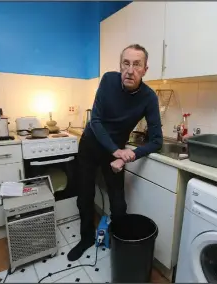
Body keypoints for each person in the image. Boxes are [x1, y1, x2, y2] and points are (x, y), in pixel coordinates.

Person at [67, 44, 163, 261]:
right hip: (91, 145)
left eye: (137, 64)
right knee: (85, 196)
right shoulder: (108, 80)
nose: (130, 70)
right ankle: (86, 238)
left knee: (118, 203)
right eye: (126, 63)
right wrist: (118, 151)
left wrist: (130, 155)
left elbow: (157, 140)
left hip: (115, 152)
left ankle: (120, 242)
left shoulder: (149, 97)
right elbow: (96, 121)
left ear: (145, 69)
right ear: (120, 66)